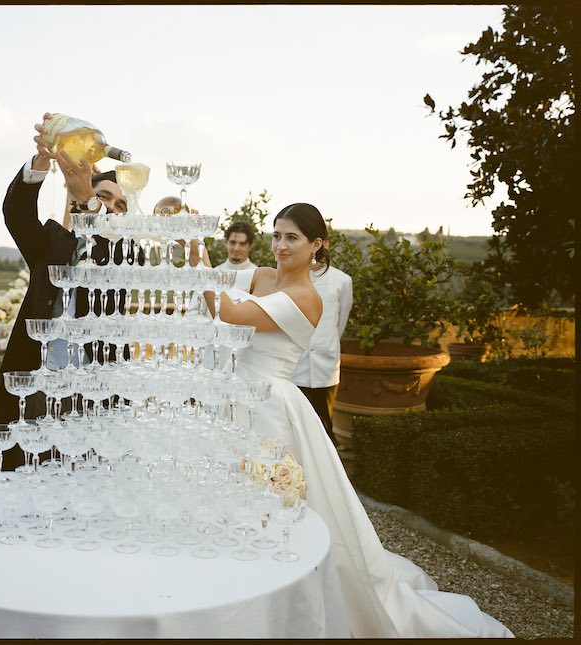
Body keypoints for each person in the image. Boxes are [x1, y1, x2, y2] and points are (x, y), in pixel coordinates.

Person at [203, 203, 513, 638]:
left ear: (317, 245)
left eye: (292, 237)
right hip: (234, 394)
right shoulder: (262, 277)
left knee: (272, 497)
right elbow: (217, 291)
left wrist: (196, 256)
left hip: (270, 403)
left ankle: (276, 592)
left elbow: (230, 313)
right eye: (276, 235)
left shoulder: (308, 297)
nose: (280, 245)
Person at [0, 112, 133, 472]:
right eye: (103, 196)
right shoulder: (53, 243)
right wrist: (39, 164)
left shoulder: (130, 256)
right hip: (38, 381)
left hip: (95, 390)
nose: (111, 206)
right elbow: (16, 214)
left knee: (88, 475)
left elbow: (103, 254)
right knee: (29, 470)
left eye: (119, 204)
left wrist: (89, 202)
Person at [291, 239, 353, 443]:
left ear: (324, 243)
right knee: (295, 425)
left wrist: (326, 345)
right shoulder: (293, 277)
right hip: (295, 365)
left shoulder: (342, 281)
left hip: (325, 366)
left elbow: (340, 322)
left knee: (324, 425)